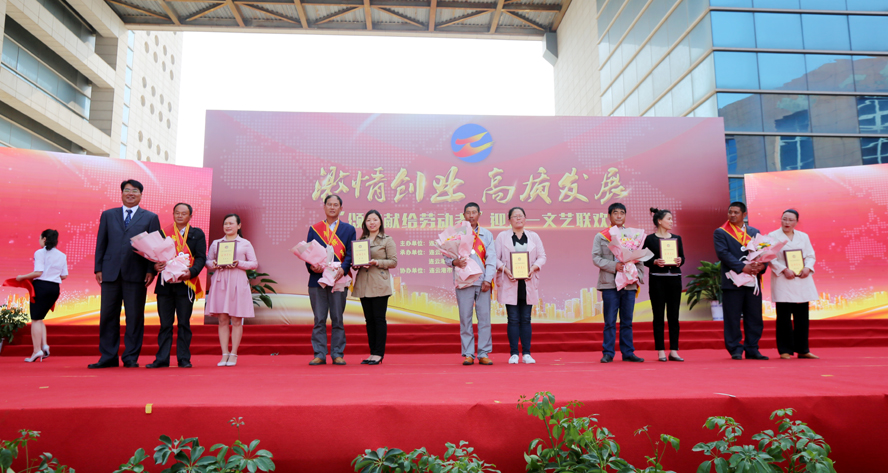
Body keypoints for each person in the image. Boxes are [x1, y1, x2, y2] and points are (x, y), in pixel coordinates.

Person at [90, 180, 161, 369]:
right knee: (108, 315)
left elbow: (154, 246)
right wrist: (98, 268)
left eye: (135, 190)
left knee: (134, 317)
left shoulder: (150, 217)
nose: (130, 193)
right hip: (110, 272)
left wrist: (150, 270)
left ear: (141, 195)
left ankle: (130, 357)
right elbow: (101, 242)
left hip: (137, 273)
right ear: (121, 193)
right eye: (127, 190)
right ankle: (108, 356)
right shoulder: (108, 215)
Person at [147, 203, 207, 369]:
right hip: (165, 285)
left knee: (183, 323)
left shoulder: (197, 234)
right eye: (177, 213)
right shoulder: (162, 233)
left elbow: (201, 257)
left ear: (190, 216)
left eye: (184, 213)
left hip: (186, 284)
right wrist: (154, 266)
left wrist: (192, 272)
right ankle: (161, 359)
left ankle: (184, 359)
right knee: (165, 324)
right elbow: (153, 256)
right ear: (173, 214)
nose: (180, 216)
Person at [714, 201, 768, 360]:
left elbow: (763, 252)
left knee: (754, 316)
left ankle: (752, 348)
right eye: (730, 212)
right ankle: (735, 349)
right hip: (733, 280)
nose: (732, 215)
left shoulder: (754, 231)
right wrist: (743, 267)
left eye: (736, 212)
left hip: (752, 281)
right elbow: (723, 254)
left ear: (744, 215)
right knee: (732, 317)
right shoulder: (721, 232)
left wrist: (761, 266)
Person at [306, 195, 356, 366]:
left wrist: (344, 269)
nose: (332, 207)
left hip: (338, 279)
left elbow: (350, 254)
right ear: (324, 207)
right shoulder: (315, 229)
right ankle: (319, 354)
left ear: (341, 208)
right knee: (319, 319)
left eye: (336, 205)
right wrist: (312, 266)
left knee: (337, 318)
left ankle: (337, 353)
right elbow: (308, 253)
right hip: (318, 279)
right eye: (329, 204)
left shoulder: (348, 229)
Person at [444, 202, 497, 366]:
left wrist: (488, 279)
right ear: (464, 215)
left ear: (479, 214)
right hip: (463, 281)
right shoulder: (456, 233)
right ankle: (468, 353)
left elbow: (492, 259)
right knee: (465, 318)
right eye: (468, 212)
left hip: (482, 282)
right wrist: (454, 262)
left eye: (474, 212)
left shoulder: (486, 235)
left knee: (484, 318)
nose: (471, 215)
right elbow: (446, 256)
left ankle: (483, 353)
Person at [592, 202, 645, 363]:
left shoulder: (633, 236)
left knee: (627, 321)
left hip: (629, 283)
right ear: (609, 216)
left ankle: (628, 352)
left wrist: (637, 275)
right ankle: (608, 352)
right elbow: (596, 258)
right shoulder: (601, 236)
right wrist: (614, 266)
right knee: (609, 321)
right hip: (609, 283)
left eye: (622, 213)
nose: (619, 216)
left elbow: (639, 258)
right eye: (615, 213)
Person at [494, 207, 546, 365]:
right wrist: (505, 270)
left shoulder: (533, 236)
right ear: (509, 219)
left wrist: (533, 268)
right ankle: (514, 354)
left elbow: (542, 256)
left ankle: (527, 353)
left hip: (527, 282)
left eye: (521, 216)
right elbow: (495, 258)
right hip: (510, 281)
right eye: (515, 216)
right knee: (512, 319)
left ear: (525, 218)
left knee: (526, 319)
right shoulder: (502, 236)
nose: (518, 218)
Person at [205, 213, 258, 367]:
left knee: (236, 319)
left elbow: (254, 263)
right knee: (222, 319)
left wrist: (238, 263)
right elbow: (208, 262)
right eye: (225, 223)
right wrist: (215, 264)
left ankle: (233, 353)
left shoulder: (245, 243)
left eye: (231, 223)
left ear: (239, 226)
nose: (228, 226)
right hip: (220, 281)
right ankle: (224, 354)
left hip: (237, 281)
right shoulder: (216, 243)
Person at [768, 209, 819, 360]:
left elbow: (810, 256)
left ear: (796, 222)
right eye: (784, 219)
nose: (787, 223)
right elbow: (769, 257)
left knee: (802, 317)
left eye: (791, 220)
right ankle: (785, 350)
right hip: (783, 279)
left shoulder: (803, 236)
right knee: (783, 317)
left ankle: (803, 350)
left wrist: (807, 267)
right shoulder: (772, 236)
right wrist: (784, 269)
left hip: (801, 278)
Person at [351, 210, 397, 365]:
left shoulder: (387, 240)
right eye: (368, 220)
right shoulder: (360, 241)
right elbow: (355, 262)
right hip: (363, 283)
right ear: (364, 223)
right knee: (369, 320)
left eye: (375, 220)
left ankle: (378, 353)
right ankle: (372, 353)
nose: (372, 223)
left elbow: (393, 262)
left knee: (379, 319)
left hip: (379, 283)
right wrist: (356, 264)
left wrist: (377, 262)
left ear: (380, 222)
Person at [16, 229, 67, 363]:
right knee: (40, 318)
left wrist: (21, 277)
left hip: (41, 287)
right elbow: (64, 275)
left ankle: (36, 350)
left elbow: (38, 272)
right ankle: (44, 345)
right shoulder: (62, 255)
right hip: (54, 288)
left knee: (35, 319)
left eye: (39, 238)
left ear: (44, 239)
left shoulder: (39, 252)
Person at [642, 208, 685, 362]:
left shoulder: (677, 238)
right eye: (669, 219)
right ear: (659, 221)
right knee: (658, 315)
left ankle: (674, 350)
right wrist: (654, 262)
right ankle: (660, 351)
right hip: (657, 280)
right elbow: (643, 258)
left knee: (674, 316)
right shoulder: (649, 239)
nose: (671, 221)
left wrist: (680, 260)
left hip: (674, 279)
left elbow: (682, 257)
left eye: (672, 219)